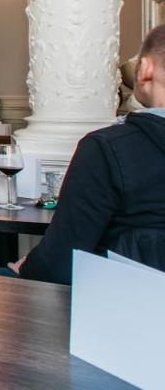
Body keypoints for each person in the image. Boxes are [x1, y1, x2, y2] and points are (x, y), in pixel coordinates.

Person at [10, 25, 165, 284]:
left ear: (146, 69)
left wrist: (27, 266)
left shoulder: (107, 149)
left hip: (117, 301)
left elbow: (57, 266)